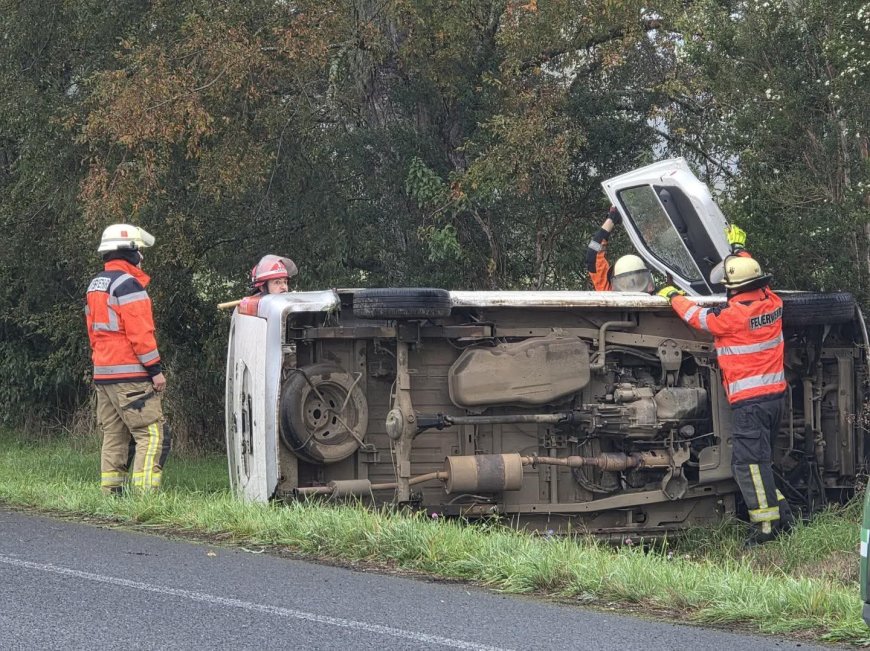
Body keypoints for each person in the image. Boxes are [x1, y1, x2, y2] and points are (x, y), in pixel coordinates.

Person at [657, 225, 794, 545]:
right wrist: (737, 249)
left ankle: (765, 528)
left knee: (748, 465)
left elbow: (697, 318)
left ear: (734, 288)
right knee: (760, 463)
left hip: (749, 404)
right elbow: (752, 275)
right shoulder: (772, 303)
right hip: (774, 400)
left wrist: (672, 297)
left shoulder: (731, 318)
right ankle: (782, 516)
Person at [86, 224, 169, 494]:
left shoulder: (96, 285)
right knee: (151, 434)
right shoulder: (128, 284)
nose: (142, 257)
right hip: (132, 376)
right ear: (129, 251)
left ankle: (111, 494)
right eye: (139, 251)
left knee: (114, 435)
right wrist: (155, 370)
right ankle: (145, 496)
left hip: (104, 374)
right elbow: (141, 334)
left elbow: (93, 333)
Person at [586, 206, 655, 293]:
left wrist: (611, 220)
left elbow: (593, 253)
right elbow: (593, 254)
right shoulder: (657, 298)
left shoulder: (609, 295)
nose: (630, 282)